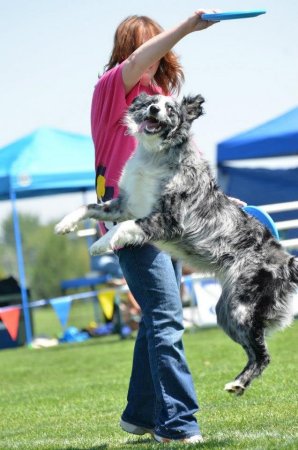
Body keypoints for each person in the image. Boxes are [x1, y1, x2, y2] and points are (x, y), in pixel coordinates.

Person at [91, 10, 219, 444]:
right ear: (133, 50)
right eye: (151, 46)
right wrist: (186, 27)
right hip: (129, 221)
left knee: (156, 320)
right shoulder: (113, 88)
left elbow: (188, 151)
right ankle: (179, 424)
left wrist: (218, 196)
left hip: (168, 221)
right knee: (166, 318)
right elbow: (137, 61)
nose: (158, 55)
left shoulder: (159, 96)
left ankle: (141, 415)